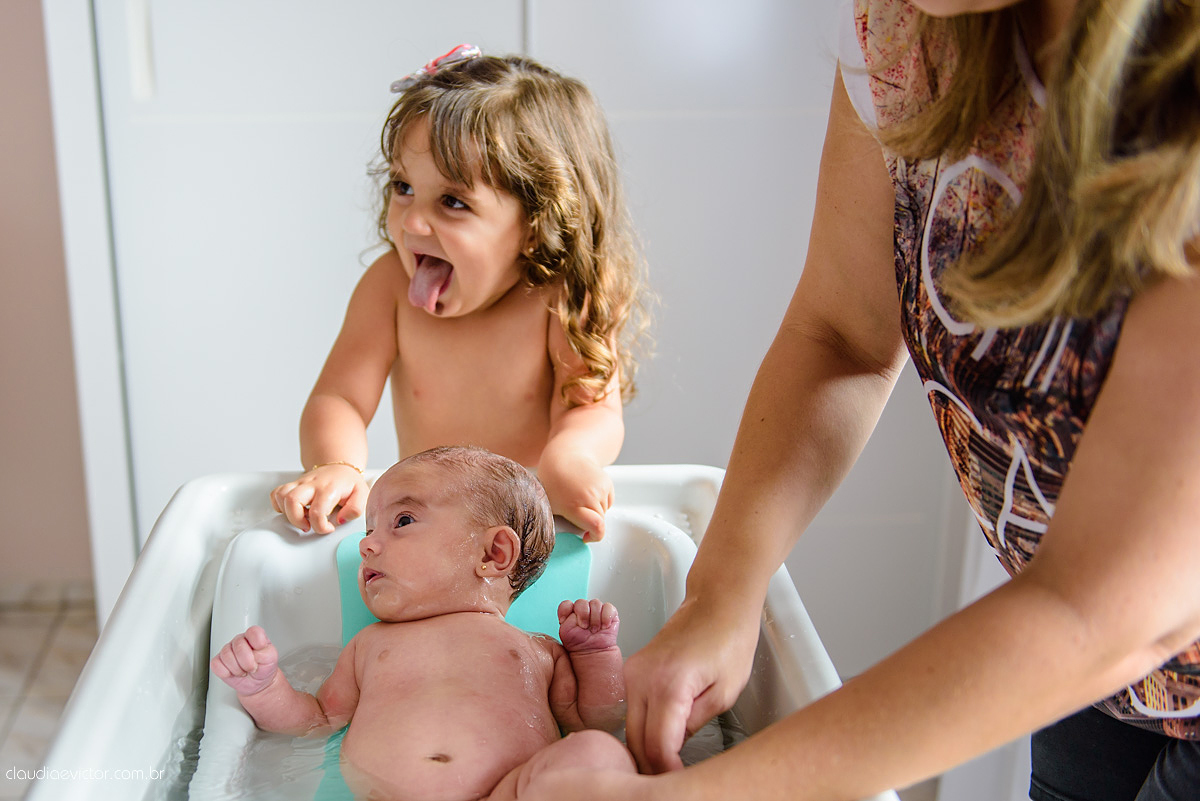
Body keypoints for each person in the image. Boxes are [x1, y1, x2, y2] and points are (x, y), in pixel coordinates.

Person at [513, 1, 1200, 800]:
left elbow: (1106, 608)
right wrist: (723, 592)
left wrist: (691, 795)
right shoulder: (908, 29)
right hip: (1092, 659)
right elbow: (843, 333)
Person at [269, 45, 649, 541]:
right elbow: (339, 396)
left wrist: (570, 456)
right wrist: (336, 464)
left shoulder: (560, 297)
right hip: (427, 528)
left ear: (536, 224)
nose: (412, 220)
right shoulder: (389, 286)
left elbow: (592, 408)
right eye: (403, 187)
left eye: (452, 201)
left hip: (527, 529)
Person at [212, 446, 634, 801]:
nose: (366, 544)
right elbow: (317, 719)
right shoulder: (370, 644)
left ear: (494, 554)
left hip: (510, 792)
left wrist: (595, 655)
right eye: (369, 528)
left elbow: (595, 720)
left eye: (403, 521)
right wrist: (265, 687)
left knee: (597, 753)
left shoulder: (537, 649)